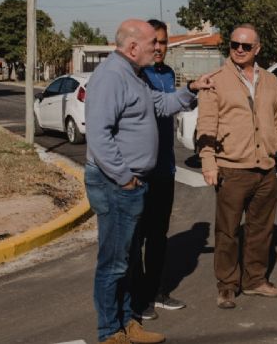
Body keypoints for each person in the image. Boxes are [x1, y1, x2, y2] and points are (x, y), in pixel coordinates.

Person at [85, 19, 213, 344]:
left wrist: (190, 90)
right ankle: (109, 332)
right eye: (152, 43)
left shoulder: (136, 76)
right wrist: (126, 178)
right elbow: (99, 137)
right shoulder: (111, 76)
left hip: (133, 183)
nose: (158, 48)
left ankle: (129, 324)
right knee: (114, 263)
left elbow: (160, 105)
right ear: (132, 47)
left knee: (126, 262)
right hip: (116, 185)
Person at [196, 23, 277, 309]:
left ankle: (254, 281)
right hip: (231, 168)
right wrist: (208, 161)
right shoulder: (214, 79)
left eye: (246, 46)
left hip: (265, 168)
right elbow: (207, 124)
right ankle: (227, 285)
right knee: (227, 231)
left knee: (261, 230)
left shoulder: (272, 82)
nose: (239, 50)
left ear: (257, 49)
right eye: (234, 44)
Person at [132, 19, 186, 321]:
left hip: (165, 167)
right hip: (141, 171)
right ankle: (139, 297)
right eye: (154, 42)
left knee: (158, 235)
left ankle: (157, 291)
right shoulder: (137, 75)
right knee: (136, 237)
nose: (159, 48)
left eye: (163, 42)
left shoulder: (168, 74)